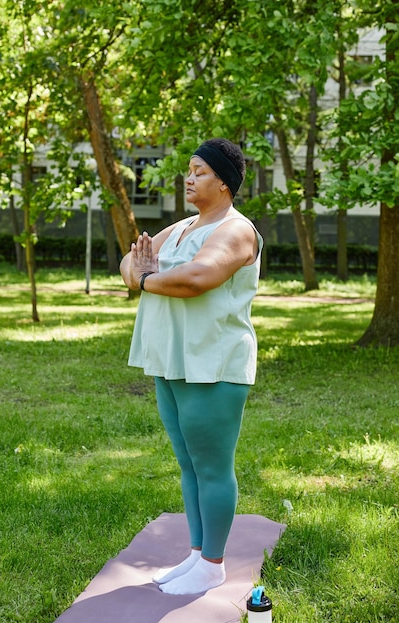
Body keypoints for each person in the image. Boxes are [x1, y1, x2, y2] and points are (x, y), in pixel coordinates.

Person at [120, 137, 263, 595]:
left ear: (224, 182)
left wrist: (146, 278)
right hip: (172, 360)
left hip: (213, 363)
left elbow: (198, 278)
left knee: (212, 466)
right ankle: (198, 554)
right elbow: (128, 263)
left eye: (199, 171)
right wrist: (145, 275)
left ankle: (214, 564)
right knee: (189, 463)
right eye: (189, 170)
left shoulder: (237, 231)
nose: (189, 177)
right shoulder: (183, 227)